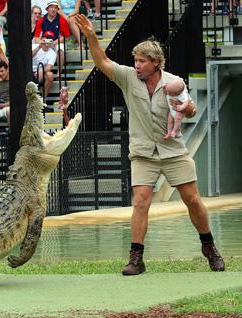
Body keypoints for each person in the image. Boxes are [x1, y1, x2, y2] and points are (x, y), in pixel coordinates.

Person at [75, 14, 225, 275]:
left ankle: (209, 247)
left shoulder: (173, 82)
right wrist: (90, 36)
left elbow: (190, 110)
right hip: (143, 152)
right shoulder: (127, 77)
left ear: (156, 63)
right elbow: (102, 61)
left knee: (192, 199)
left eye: (142, 61)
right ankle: (136, 258)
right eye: (135, 60)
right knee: (141, 201)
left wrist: (187, 107)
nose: (137, 65)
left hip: (174, 150)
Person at [33, 1, 71, 75]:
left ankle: (59, 72)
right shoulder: (41, 21)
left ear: (57, 10)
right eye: (51, 7)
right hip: (44, 43)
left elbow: (64, 37)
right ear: (47, 9)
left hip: (57, 42)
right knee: (34, 48)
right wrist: (43, 42)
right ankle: (36, 71)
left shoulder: (62, 20)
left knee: (61, 49)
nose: (53, 9)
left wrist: (54, 43)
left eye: (55, 8)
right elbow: (36, 38)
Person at [32, 30, 57, 97]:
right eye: (46, 38)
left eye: (50, 39)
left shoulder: (53, 53)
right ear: (43, 38)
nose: (47, 40)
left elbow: (49, 68)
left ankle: (43, 99)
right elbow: (28, 57)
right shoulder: (35, 46)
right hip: (29, 70)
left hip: (41, 72)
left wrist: (41, 71)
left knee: (50, 75)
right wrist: (39, 47)